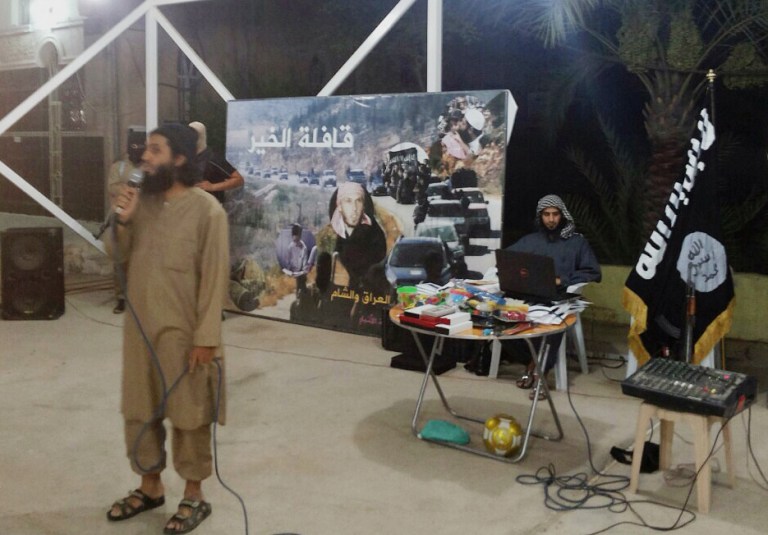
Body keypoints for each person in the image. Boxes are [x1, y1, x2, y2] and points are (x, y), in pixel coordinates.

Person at [104, 123, 229, 534]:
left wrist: (207, 338)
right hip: (140, 331)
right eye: (146, 150)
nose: (145, 157)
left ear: (178, 158)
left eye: (155, 150)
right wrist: (123, 218)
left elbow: (214, 279)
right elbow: (117, 256)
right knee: (139, 410)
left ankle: (194, 495)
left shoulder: (207, 210)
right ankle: (150, 486)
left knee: (190, 414)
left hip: (185, 333)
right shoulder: (142, 202)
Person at [505, 194, 601, 399]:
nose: (551, 219)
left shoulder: (576, 242)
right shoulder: (530, 240)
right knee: (499, 319)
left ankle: (541, 374)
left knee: (553, 324)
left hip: (559, 298)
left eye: (555, 214)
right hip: (528, 295)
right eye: (546, 215)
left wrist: (562, 280)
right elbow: (508, 260)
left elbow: (593, 272)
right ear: (540, 217)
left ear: (562, 216)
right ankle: (531, 362)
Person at [105, 128, 145, 313]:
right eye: (134, 145)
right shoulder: (119, 167)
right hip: (122, 219)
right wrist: (132, 188)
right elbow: (113, 189)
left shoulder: (149, 167)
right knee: (121, 259)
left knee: (142, 259)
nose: (138, 149)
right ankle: (121, 298)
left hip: (145, 220)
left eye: (141, 146)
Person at [329, 181, 387, 288]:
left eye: (358, 201)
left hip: (370, 282)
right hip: (351, 280)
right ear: (340, 206)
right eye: (348, 201)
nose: (354, 208)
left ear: (364, 206)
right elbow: (338, 252)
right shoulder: (343, 230)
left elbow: (380, 254)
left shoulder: (374, 230)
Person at [188, 121, 244, 204]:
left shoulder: (212, 158)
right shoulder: (186, 157)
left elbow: (238, 179)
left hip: (211, 209)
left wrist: (212, 187)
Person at [283, 223, 313, 295]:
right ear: (292, 236)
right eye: (294, 236)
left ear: (300, 236)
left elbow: (305, 261)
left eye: (297, 236)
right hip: (293, 270)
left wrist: (303, 270)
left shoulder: (303, 247)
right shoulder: (290, 247)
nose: (296, 238)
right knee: (298, 287)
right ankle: (300, 295)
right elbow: (288, 259)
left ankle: (303, 294)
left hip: (301, 271)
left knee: (301, 284)